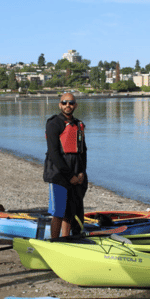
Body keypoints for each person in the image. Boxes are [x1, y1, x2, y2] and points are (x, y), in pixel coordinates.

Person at [43, 92, 87, 239]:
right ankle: (54, 241)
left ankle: (66, 239)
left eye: (71, 102)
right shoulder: (54, 123)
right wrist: (69, 177)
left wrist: (81, 173)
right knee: (59, 211)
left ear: (75, 105)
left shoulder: (78, 125)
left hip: (76, 173)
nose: (68, 105)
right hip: (59, 174)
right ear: (60, 105)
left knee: (72, 210)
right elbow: (53, 153)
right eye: (64, 102)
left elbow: (83, 151)